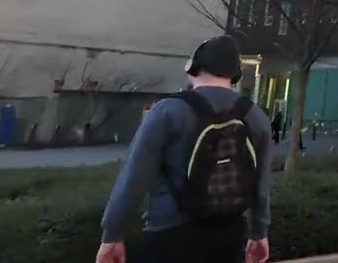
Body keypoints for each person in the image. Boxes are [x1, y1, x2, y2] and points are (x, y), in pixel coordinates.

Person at [96, 35, 273, 263]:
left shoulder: (167, 111)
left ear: (192, 68)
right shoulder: (255, 116)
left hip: (168, 233)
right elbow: (262, 184)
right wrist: (259, 233)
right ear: (234, 74)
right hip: (228, 235)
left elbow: (134, 178)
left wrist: (112, 234)